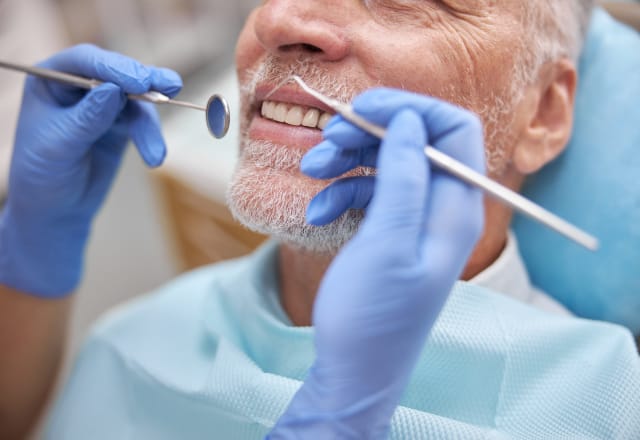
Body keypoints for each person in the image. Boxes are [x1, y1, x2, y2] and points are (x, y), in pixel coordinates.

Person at [1, 1, 639, 439]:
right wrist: (27, 246)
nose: (283, 20)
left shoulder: (608, 404)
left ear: (544, 113)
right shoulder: (128, 340)